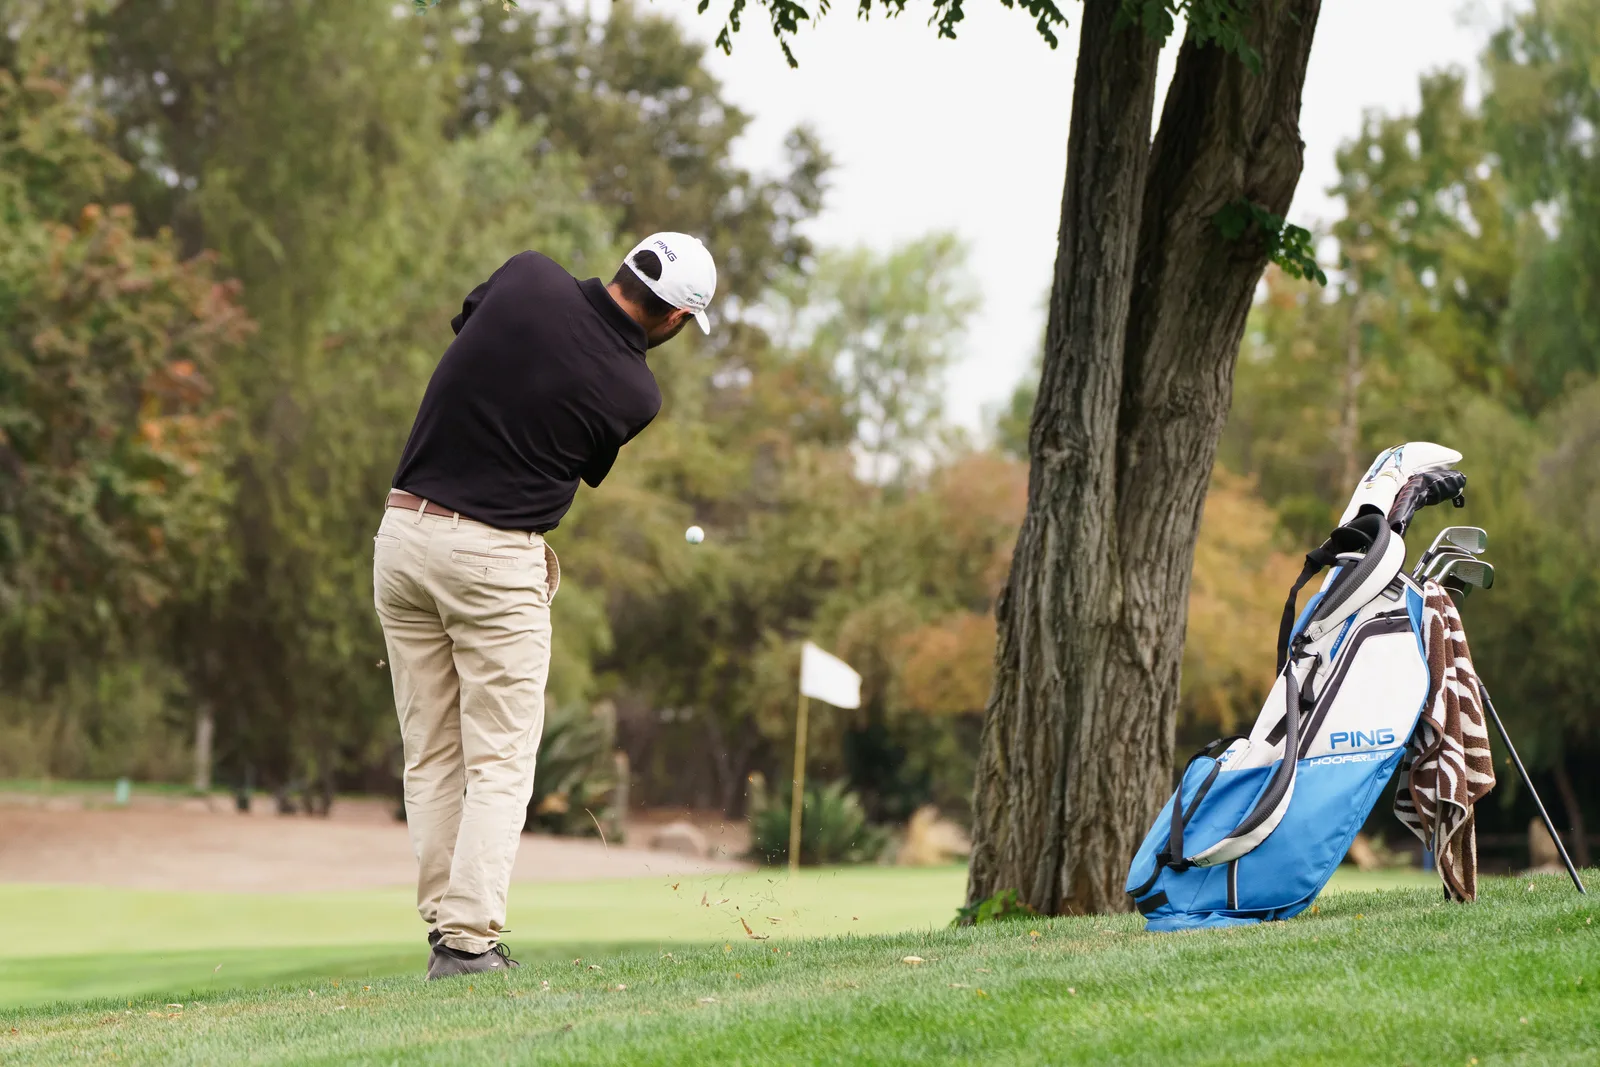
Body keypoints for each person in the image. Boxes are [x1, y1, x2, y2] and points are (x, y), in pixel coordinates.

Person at [372, 233, 717, 980]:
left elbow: (476, 333)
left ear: (627, 264)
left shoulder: (527, 274)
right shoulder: (636, 392)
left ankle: (445, 928)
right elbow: (585, 458)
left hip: (400, 536)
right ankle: (466, 944)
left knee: (430, 751)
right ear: (675, 318)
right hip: (492, 562)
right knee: (500, 758)